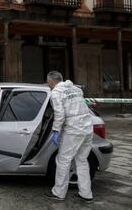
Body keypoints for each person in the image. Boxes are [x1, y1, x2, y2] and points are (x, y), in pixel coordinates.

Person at [45, 71, 94, 203]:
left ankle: (59, 193)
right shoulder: (76, 89)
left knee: (63, 161)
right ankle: (86, 194)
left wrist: (55, 131)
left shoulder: (56, 93)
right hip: (88, 128)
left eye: (48, 83)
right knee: (82, 161)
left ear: (51, 82)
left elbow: (59, 114)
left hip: (73, 129)